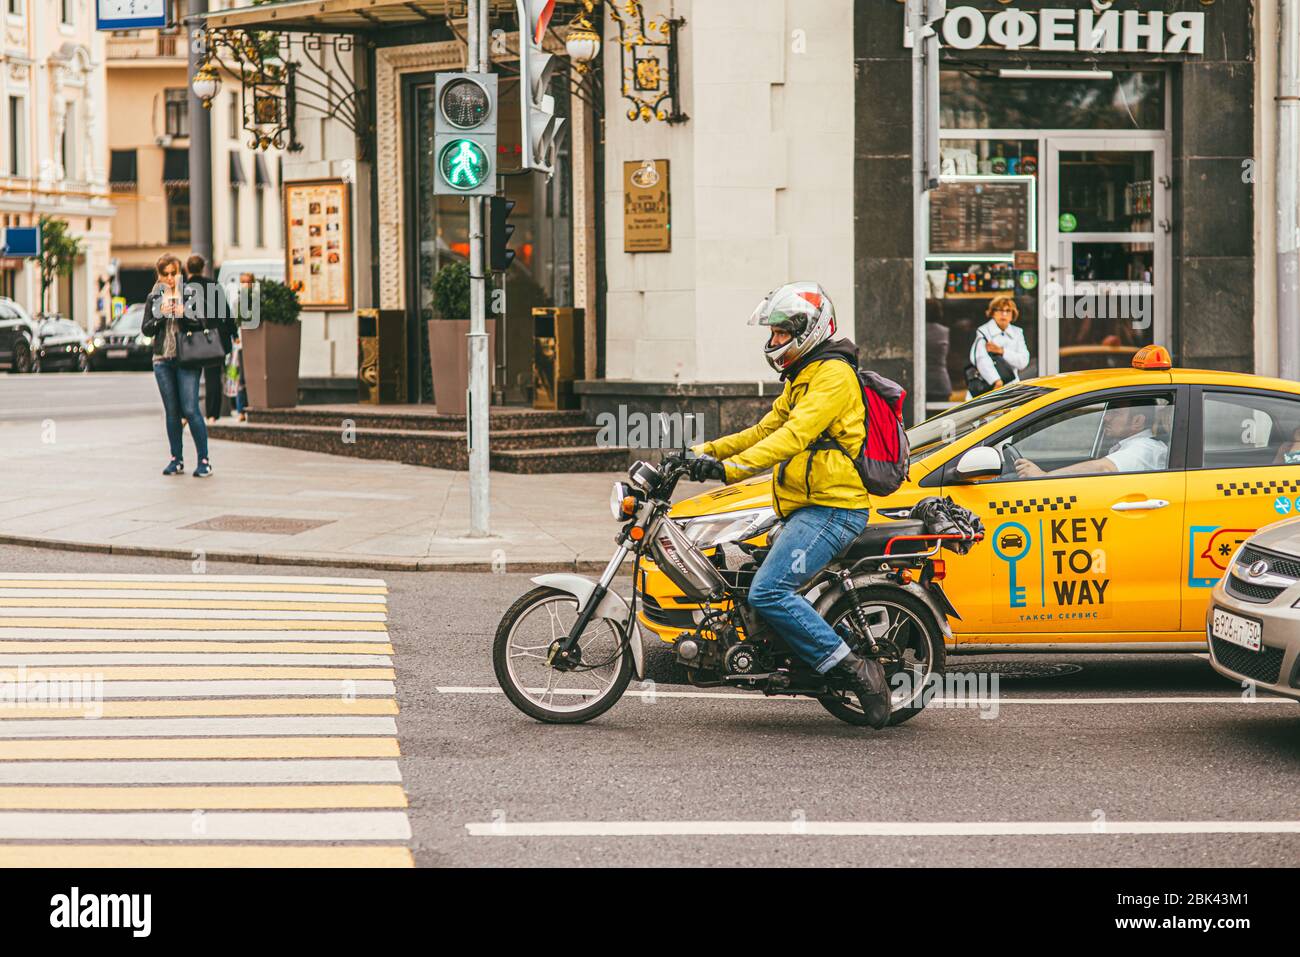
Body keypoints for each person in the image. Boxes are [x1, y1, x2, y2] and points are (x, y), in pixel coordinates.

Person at [684, 281, 892, 729]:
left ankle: (859, 671)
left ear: (808, 330)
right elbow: (761, 431)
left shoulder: (833, 376)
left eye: (781, 332)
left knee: (769, 591)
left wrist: (729, 471)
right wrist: (701, 453)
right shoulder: (805, 375)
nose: (773, 341)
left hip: (833, 510)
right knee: (743, 580)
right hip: (806, 507)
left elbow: (791, 438)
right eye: (773, 332)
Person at [141, 254, 213, 478]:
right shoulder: (154, 298)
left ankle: (204, 461)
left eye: (174, 273)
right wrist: (161, 316)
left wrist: (184, 315)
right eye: (166, 274)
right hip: (162, 359)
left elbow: (203, 323)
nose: (170, 279)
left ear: (180, 273)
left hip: (187, 359)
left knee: (190, 409)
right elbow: (146, 329)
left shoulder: (190, 294)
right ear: (159, 276)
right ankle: (176, 459)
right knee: (172, 412)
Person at [1013, 398, 1168, 478]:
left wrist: (1044, 477)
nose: (1106, 418)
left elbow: (1103, 468)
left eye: (1115, 413)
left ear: (1137, 421)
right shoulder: (1128, 446)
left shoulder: (1144, 448)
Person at [186, 255, 234, 424]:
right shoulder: (213, 286)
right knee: (213, 376)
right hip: (213, 337)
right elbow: (226, 313)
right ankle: (212, 415)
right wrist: (233, 334)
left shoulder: (185, 288)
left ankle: (187, 414)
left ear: (187, 268)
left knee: (190, 375)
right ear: (203, 267)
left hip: (191, 338)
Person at [967, 295, 1030, 397]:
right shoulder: (983, 331)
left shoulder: (1017, 332)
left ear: (1013, 314)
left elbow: (1023, 361)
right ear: (992, 313)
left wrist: (1002, 351)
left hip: (1011, 387)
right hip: (988, 386)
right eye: (1000, 310)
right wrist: (996, 380)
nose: (1004, 314)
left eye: (1008, 311)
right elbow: (980, 359)